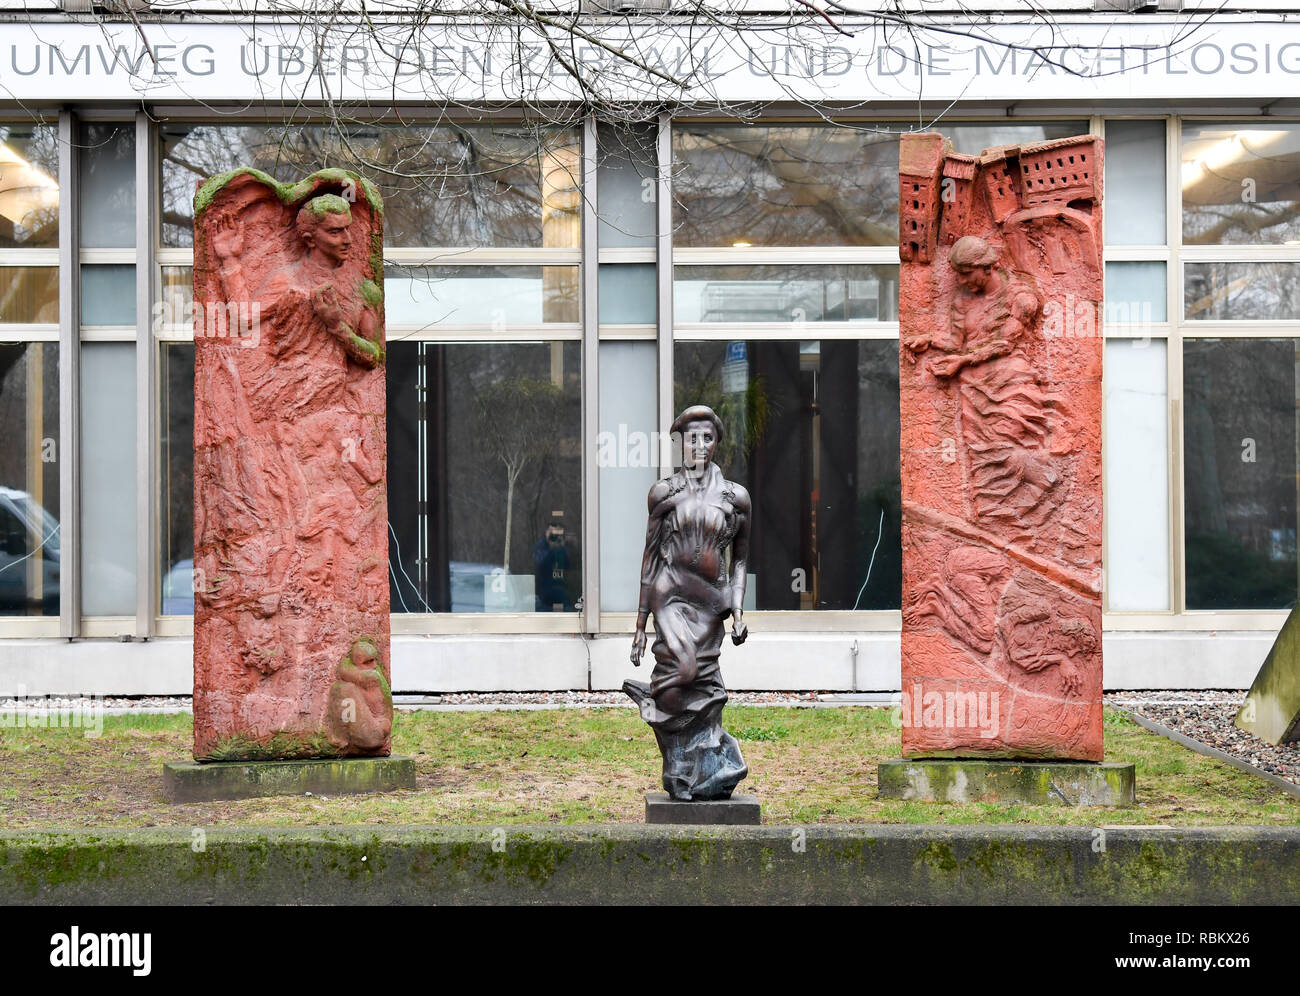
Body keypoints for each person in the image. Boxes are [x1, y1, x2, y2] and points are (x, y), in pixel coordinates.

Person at [625, 405, 751, 801]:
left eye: (707, 437)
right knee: (684, 666)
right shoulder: (664, 492)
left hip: (713, 600)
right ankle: (659, 708)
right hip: (671, 591)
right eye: (691, 438)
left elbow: (742, 559)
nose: (699, 445)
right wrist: (640, 625)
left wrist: (738, 610)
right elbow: (649, 557)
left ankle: (688, 764)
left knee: (705, 682)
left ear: (716, 443)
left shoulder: (736, 497)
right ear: (681, 442)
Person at [903, 235, 1060, 526]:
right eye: (958, 275)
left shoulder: (1021, 298)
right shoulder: (963, 301)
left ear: (985, 266)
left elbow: (1004, 344)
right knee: (981, 454)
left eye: (965, 273)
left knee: (1006, 447)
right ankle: (992, 519)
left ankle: (1037, 498)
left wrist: (960, 361)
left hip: (1011, 383)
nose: (962, 281)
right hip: (974, 390)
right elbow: (956, 339)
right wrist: (928, 341)